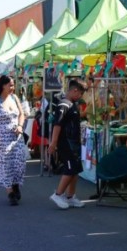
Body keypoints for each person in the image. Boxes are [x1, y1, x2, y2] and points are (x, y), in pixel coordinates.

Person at [0, 75, 27, 206]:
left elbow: (22, 114)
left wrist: (20, 126)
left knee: (19, 161)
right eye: (11, 85)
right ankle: (10, 192)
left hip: (16, 136)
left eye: (13, 85)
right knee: (6, 164)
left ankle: (15, 184)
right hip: (3, 137)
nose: (13, 88)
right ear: (3, 85)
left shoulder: (15, 98)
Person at [48, 79, 87, 209]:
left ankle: (70, 196)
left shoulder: (72, 104)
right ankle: (58, 194)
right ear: (75, 90)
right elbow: (57, 124)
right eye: (80, 93)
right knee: (70, 169)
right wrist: (53, 143)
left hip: (74, 143)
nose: (80, 96)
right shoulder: (64, 104)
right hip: (66, 143)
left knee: (75, 170)